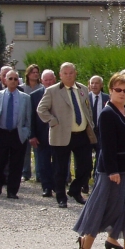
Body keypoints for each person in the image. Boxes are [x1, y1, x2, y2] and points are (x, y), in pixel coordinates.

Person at [75, 72, 125, 249]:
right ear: (110, 90)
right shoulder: (107, 113)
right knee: (104, 207)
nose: (122, 93)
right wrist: (112, 171)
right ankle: (87, 241)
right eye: (118, 90)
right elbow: (106, 146)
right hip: (112, 170)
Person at [36, 62, 96, 208]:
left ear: (75, 73)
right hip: (61, 134)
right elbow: (41, 109)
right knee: (60, 168)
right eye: (65, 73)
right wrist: (53, 121)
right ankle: (61, 196)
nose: (69, 76)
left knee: (86, 166)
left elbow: (86, 108)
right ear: (60, 75)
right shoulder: (52, 91)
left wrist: (90, 123)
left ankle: (75, 190)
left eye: (71, 73)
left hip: (81, 134)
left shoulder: (82, 89)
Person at [0, 69, 32, 199]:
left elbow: (28, 118)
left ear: (18, 81)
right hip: (1, 133)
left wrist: (26, 132)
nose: (13, 81)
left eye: (15, 79)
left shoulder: (25, 98)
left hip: (17, 134)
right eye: (10, 78)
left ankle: (12, 190)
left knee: (16, 164)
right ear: (5, 80)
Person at [29, 69, 57, 199]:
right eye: (46, 80)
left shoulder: (61, 94)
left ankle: (57, 186)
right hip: (41, 136)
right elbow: (31, 117)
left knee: (58, 162)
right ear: (41, 81)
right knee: (43, 163)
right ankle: (47, 187)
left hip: (58, 135)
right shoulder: (34, 96)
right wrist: (32, 135)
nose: (48, 82)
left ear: (55, 79)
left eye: (51, 79)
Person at [21, 64, 44, 182]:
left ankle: (39, 173)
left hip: (37, 121)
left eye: (37, 72)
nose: (35, 74)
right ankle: (25, 172)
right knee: (25, 150)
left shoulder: (42, 88)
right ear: (28, 74)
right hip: (25, 121)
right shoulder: (22, 88)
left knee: (37, 149)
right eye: (33, 72)